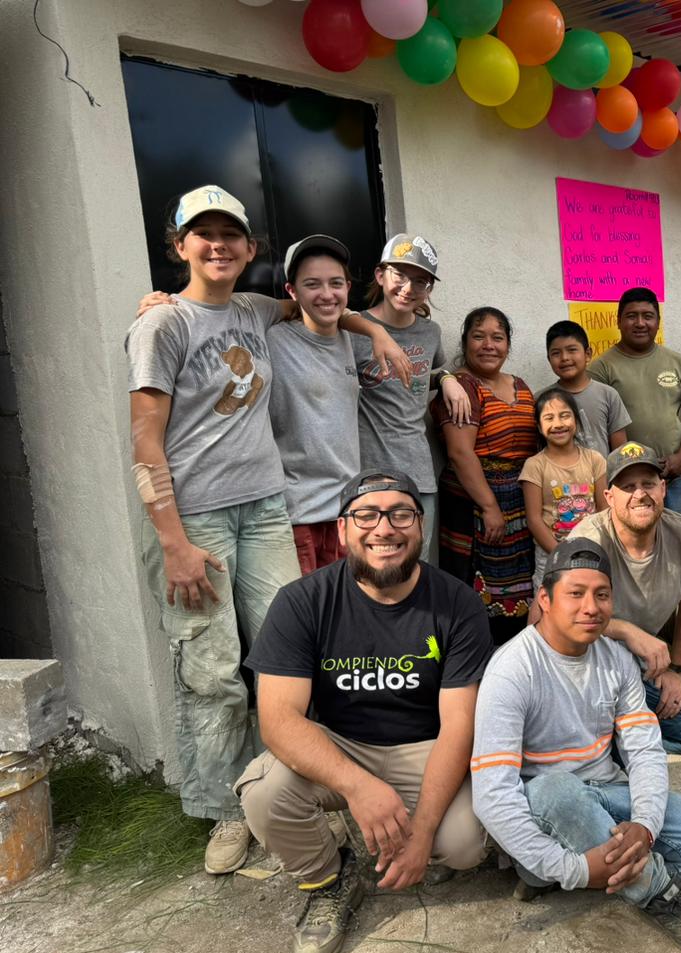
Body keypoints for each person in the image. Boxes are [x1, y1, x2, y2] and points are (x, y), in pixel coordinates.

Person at [125, 185, 410, 874]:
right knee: (214, 667)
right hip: (198, 521)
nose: (218, 246)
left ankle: (277, 788)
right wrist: (173, 541)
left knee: (286, 658)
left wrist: (374, 329)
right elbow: (144, 439)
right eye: (203, 234)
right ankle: (223, 809)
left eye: (231, 235)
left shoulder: (256, 309)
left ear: (250, 249)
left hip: (266, 510)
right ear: (180, 246)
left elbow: (325, 304)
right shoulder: (163, 326)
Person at [237, 469, 491, 953]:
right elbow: (279, 721)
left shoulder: (458, 603)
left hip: (425, 745)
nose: (384, 529)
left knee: (464, 845)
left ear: (421, 526)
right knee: (266, 796)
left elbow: (460, 726)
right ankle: (329, 879)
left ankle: (413, 833)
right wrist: (359, 787)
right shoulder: (302, 601)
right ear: (342, 529)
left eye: (401, 514)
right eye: (367, 515)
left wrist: (421, 832)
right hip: (340, 743)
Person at [470, 540, 681, 953]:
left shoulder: (616, 659)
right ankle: (656, 891)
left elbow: (645, 750)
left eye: (602, 594)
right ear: (545, 598)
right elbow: (492, 793)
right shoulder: (511, 669)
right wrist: (574, 869)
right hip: (546, 806)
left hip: (610, 793)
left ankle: (606, 863)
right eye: (575, 594)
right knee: (555, 788)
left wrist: (645, 825)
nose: (591, 607)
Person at [568, 442, 681, 755]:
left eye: (648, 483)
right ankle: (609, 740)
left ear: (663, 489)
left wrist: (677, 671)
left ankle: (619, 742)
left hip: (640, 666)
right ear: (609, 497)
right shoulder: (588, 539)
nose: (640, 494)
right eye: (627, 486)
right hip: (586, 664)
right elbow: (563, 616)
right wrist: (626, 630)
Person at [355, 233, 471, 562]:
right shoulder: (355, 328)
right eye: (400, 276)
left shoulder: (430, 333)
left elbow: (425, 374)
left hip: (420, 472)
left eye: (421, 281)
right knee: (375, 565)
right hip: (371, 472)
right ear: (380, 275)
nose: (409, 288)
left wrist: (447, 378)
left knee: (416, 564)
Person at [432, 307, 538, 645]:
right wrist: (490, 506)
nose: (488, 345)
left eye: (497, 337)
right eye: (478, 337)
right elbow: (461, 454)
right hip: (474, 503)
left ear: (508, 344)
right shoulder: (462, 387)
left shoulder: (519, 384)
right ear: (465, 342)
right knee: (476, 589)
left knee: (520, 586)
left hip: (519, 504)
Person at [267, 235, 360, 573]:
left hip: (348, 512)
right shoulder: (272, 339)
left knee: (350, 613)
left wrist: (447, 378)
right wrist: (168, 304)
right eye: (312, 284)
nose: (326, 294)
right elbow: (221, 313)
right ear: (291, 291)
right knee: (308, 618)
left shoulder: (356, 340)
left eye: (336, 283)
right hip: (296, 514)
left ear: (348, 287)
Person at [589, 287, 681, 514]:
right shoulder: (601, 368)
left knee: (677, 539)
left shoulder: (677, 362)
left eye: (648, 316)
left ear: (658, 321)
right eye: (632, 316)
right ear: (618, 321)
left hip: (675, 476)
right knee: (635, 543)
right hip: (628, 480)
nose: (640, 323)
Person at [519, 387, 607, 594]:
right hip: (550, 553)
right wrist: (561, 553)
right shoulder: (534, 466)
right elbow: (534, 519)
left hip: (591, 550)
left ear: (576, 420)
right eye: (549, 418)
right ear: (539, 427)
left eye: (565, 416)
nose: (558, 424)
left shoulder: (595, 459)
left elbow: (605, 510)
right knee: (550, 602)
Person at [542, 320, 631, 458]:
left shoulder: (608, 395)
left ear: (588, 354)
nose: (564, 358)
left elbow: (620, 452)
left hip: (602, 478)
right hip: (558, 478)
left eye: (572, 350)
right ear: (549, 359)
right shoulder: (542, 400)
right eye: (556, 353)